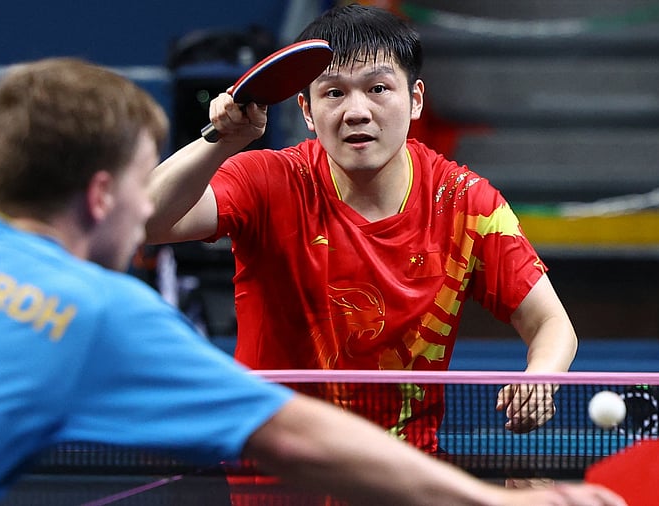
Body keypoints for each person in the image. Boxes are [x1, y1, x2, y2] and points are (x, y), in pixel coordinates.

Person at [0, 58, 625, 506]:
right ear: (103, 196)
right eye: (141, 180)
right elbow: (294, 434)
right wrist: (495, 503)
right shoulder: (105, 315)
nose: (148, 204)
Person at [146, 2, 579, 452]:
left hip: (402, 470)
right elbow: (147, 222)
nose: (356, 111)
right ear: (307, 111)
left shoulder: (465, 203)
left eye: (378, 88)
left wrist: (541, 377)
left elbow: (551, 322)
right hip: (277, 467)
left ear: (415, 99)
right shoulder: (269, 181)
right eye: (334, 92)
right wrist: (219, 142)